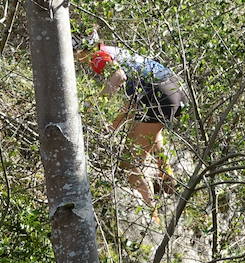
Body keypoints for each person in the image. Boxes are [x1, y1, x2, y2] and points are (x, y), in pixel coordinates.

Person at [74, 31, 186, 208]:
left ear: (81, 50)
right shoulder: (112, 51)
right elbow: (133, 101)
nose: (75, 58)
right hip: (173, 89)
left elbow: (119, 77)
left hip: (159, 94)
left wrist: (93, 106)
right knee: (152, 135)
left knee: (130, 163)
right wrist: (114, 125)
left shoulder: (98, 56)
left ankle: (152, 216)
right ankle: (170, 184)